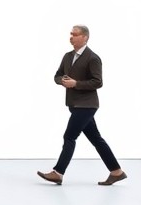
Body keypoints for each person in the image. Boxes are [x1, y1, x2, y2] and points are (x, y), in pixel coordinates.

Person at [37, 25, 127, 186]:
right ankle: (116, 172)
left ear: (85, 37)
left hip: (87, 105)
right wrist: (62, 81)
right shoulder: (67, 56)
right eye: (71, 34)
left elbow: (98, 82)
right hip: (74, 104)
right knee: (96, 139)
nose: (71, 37)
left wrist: (76, 83)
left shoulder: (93, 58)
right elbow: (57, 75)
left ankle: (58, 173)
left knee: (69, 137)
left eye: (75, 34)